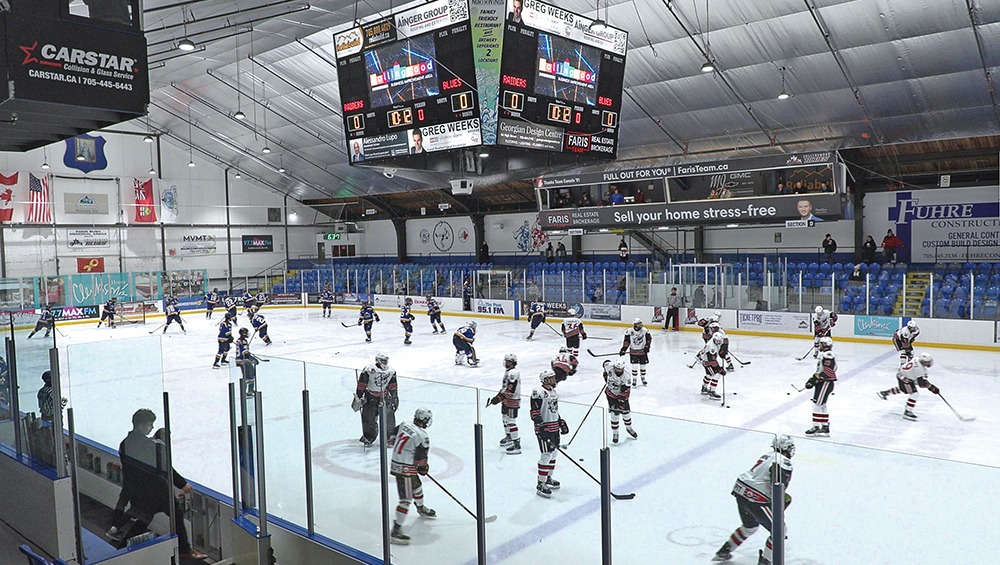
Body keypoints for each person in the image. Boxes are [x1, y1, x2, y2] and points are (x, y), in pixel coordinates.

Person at [111, 409, 207, 560]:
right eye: (150, 425)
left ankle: (120, 552)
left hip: (139, 492)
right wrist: (181, 484)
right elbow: (165, 467)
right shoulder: (149, 445)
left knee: (143, 521)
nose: (151, 428)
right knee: (176, 514)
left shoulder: (124, 443)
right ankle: (184, 549)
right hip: (157, 492)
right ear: (142, 426)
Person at [712, 435, 794, 565]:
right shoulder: (784, 462)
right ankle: (765, 561)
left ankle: (724, 551)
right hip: (755, 497)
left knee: (749, 526)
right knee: (779, 530)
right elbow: (776, 484)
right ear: (787, 448)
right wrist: (778, 508)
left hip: (741, 490)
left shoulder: (767, 455)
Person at [389, 408, 435, 545]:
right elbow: (421, 462)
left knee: (418, 486)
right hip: (405, 470)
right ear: (425, 420)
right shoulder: (423, 436)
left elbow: (391, 437)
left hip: (397, 464)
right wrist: (424, 468)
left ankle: (421, 508)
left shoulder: (404, 424)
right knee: (406, 500)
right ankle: (396, 531)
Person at [531, 370, 567, 498]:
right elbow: (534, 412)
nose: (554, 380)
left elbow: (554, 410)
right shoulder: (538, 392)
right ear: (545, 380)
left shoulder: (553, 392)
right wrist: (541, 427)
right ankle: (540, 484)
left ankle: (548, 478)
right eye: (551, 378)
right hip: (545, 428)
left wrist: (560, 421)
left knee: (554, 453)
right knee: (546, 455)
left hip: (554, 427)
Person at [877, 352, 940, 421]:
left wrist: (929, 386)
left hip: (903, 374)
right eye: (927, 362)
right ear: (923, 362)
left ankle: (885, 393)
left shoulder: (917, 359)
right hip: (905, 378)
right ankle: (907, 411)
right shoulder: (919, 369)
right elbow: (921, 384)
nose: (929, 363)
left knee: (904, 389)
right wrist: (932, 388)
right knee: (914, 394)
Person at [355, 353, 399, 447]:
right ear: (378, 361)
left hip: (385, 397)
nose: (385, 362)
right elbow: (362, 384)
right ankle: (369, 436)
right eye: (383, 361)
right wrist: (359, 396)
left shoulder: (391, 371)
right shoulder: (369, 370)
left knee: (389, 418)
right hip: (370, 397)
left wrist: (395, 397)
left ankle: (390, 437)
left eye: (386, 360)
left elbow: (393, 385)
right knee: (368, 418)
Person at [487, 354, 521, 455]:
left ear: (513, 362)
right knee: (504, 419)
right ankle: (509, 436)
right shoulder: (508, 372)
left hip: (512, 400)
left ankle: (516, 444)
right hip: (506, 399)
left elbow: (511, 390)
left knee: (511, 421)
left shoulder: (513, 373)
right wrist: (498, 396)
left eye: (508, 361)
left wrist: (498, 398)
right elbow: (505, 388)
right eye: (505, 361)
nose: (506, 363)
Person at [804, 337, 837, 437]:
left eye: (821, 344)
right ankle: (824, 427)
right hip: (823, 383)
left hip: (825, 383)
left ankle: (816, 427)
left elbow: (829, 371)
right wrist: (815, 378)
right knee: (821, 405)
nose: (820, 346)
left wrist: (816, 379)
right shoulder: (824, 354)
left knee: (816, 405)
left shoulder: (828, 355)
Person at [603, 360, 637, 443]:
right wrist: (605, 377)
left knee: (626, 414)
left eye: (619, 369)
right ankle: (615, 433)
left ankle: (629, 428)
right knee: (614, 414)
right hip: (611, 395)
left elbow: (627, 390)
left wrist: (622, 397)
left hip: (620, 397)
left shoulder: (626, 376)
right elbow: (605, 363)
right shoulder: (610, 367)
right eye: (616, 368)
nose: (618, 370)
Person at [619, 318, 651, 386]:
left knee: (643, 366)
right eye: (638, 323)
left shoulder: (645, 330)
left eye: (640, 323)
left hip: (642, 352)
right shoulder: (629, 331)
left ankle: (643, 378)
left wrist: (647, 346)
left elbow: (649, 339)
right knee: (634, 366)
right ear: (635, 324)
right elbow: (626, 341)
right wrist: (624, 349)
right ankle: (634, 379)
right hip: (634, 352)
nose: (640, 325)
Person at [235, 328, 262, 397]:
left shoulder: (239, 340)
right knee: (250, 375)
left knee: (247, 376)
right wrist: (252, 359)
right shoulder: (243, 341)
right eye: (246, 333)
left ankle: (247, 391)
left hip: (240, 360)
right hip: (244, 361)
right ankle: (248, 392)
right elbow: (245, 353)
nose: (247, 334)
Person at [698, 332, 725, 400]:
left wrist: (721, 352)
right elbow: (712, 361)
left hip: (704, 358)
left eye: (720, 341)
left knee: (709, 375)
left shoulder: (713, 341)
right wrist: (719, 369)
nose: (719, 342)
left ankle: (704, 388)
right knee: (716, 374)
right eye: (717, 341)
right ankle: (712, 391)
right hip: (706, 361)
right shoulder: (711, 347)